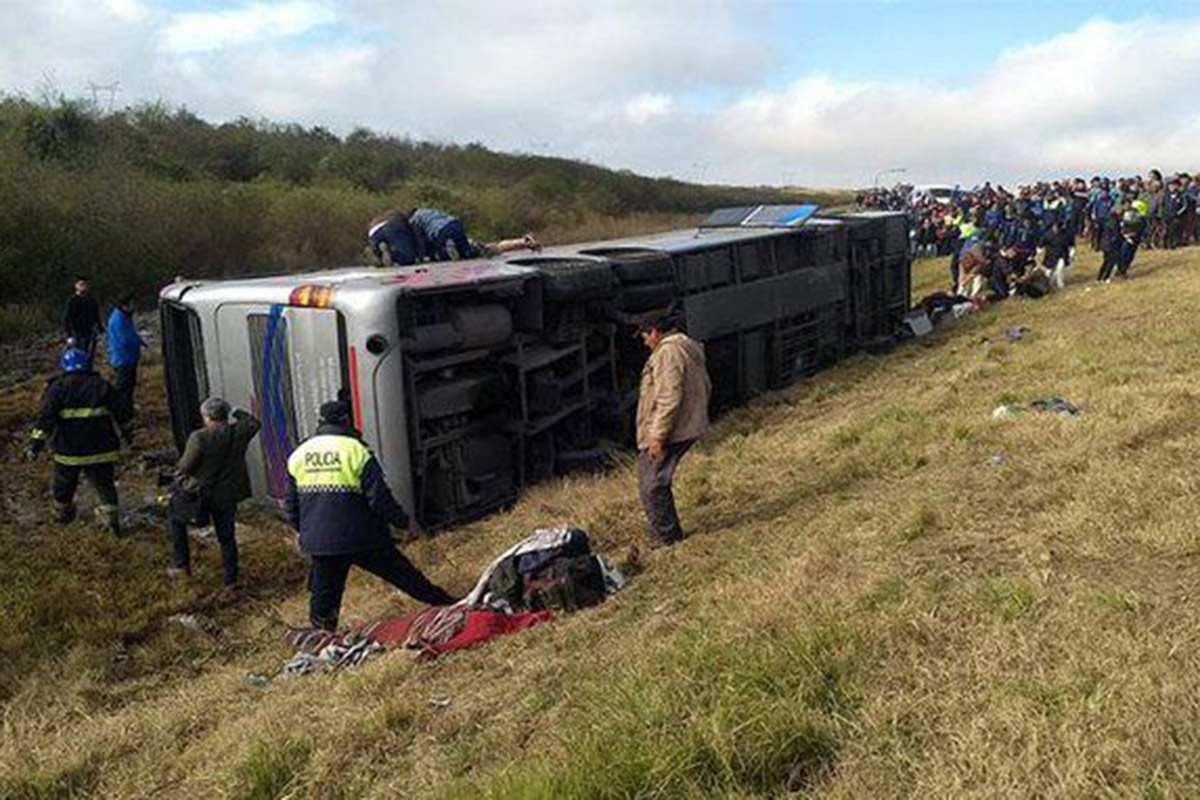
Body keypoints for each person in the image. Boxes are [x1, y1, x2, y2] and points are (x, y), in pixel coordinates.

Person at [285, 400, 456, 630]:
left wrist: (303, 531)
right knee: (405, 576)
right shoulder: (357, 451)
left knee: (324, 597)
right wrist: (404, 524)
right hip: (362, 536)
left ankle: (323, 639)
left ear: (321, 422)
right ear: (347, 421)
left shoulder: (300, 454)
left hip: (321, 541)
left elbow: (291, 505)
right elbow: (379, 498)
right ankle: (446, 604)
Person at [27, 347, 132, 536]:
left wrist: (35, 445)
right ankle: (110, 520)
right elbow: (123, 413)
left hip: (69, 451)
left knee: (64, 483)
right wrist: (129, 436)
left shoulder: (57, 388)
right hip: (101, 449)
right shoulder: (101, 385)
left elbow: (45, 419)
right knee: (104, 484)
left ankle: (63, 513)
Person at [635, 312, 711, 547]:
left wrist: (657, 436)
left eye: (645, 336)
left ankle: (665, 538)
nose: (645, 341)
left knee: (652, 483)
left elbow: (669, 396)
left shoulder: (668, 353)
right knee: (655, 481)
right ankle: (665, 533)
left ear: (655, 332)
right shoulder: (687, 346)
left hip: (673, 428)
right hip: (686, 423)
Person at [168, 398, 261, 587]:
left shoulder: (199, 437)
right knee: (227, 536)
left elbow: (184, 467)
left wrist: (179, 479)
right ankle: (231, 579)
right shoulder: (239, 432)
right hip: (228, 494)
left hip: (202, 494)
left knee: (175, 520)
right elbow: (254, 422)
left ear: (207, 416)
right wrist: (234, 409)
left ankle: (182, 566)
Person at [106, 295, 146, 414]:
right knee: (123, 386)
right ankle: (121, 410)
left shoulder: (125, 317)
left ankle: (127, 407)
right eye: (132, 304)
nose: (134, 307)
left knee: (129, 385)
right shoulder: (118, 319)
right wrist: (136, 341)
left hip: (130, 357)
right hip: (123, 359)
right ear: (124, 305)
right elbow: (124, 340)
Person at [63, 276, 102, 357]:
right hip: (77, 334)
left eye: (86, 285)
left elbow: (96, 315)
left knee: (89, 355)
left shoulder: (91, 300)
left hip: (90, 333)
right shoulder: (72, 301)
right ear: (76, 286)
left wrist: (100, 329)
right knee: (78, 356)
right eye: (81, 284)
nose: (84, 287)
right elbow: (67, 318)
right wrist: (69, 335)